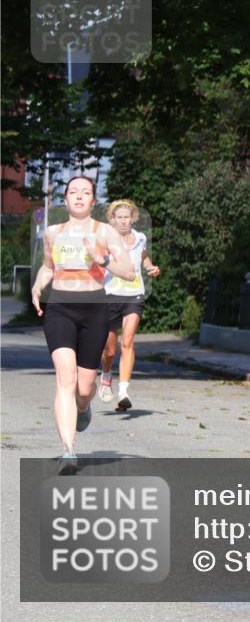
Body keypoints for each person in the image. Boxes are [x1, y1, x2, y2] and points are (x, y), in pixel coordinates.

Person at [31, 176, 137, 461]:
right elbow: (47, 267)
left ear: (93, 200)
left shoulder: (105, 232)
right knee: (65, 377)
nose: (79, 196)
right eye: (73, 192)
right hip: (60, 308)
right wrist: (38, 285)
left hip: (94, 310)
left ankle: (82, 407)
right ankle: (68, 449)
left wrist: (101, 260)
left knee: (84, 387)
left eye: (85, 192)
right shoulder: (53, 233)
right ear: (64, 200)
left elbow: (128, 271)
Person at [98, 199, 160, 411]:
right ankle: (106, 376)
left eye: (127, 217)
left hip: (134, 294)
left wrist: (151, 267)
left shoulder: (140, 238)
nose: (124, 221)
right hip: (110, 294)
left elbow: (143, 258)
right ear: (112, 220)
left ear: (132, 218)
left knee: (128, 342)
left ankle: (123, 392)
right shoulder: (106, 240)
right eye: (119, 217)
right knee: (110, 350)